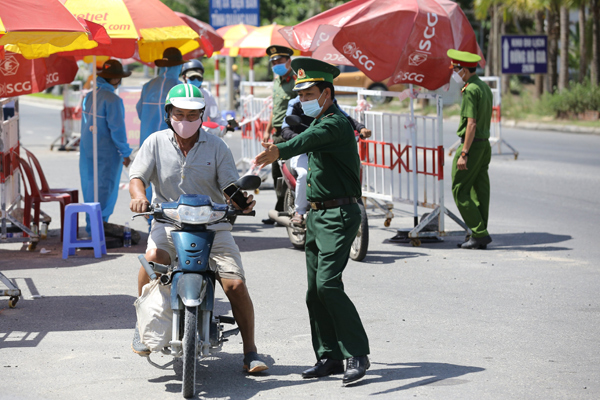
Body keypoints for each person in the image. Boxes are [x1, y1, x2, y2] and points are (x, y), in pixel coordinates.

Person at [129, 83, 268, 374]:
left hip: (213, 225)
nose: (186, 120)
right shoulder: (154, 141)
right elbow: (137, 176)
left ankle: (251, 351)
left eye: (193, 115)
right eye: (179, 114)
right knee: (153, 258)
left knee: (235, 284)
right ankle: (141, 323)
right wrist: (139, 197)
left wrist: (242, 201)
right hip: (169, 223)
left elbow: (230, 185)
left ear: (202, 115)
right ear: (168, 114)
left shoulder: (217, 145)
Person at [255, 58, 370, 385]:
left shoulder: (333, 123)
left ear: (327, 93)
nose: (302, 99)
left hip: (339, 214)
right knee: (314, 292)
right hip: (318, 215)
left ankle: (357, 352)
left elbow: (304, 141)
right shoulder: (319, 119)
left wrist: (278, 150)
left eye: (309, 94)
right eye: (300, 94)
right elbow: (298, 132)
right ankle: (329, 355)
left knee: (328, 285)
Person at [280, 96, 371, 226]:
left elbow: (346, 118)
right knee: (305, 175)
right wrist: (301, 140)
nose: (305, 96)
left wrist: (360, 127)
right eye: (302, 92)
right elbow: (285, 129)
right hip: (303, 151)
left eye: (310, 92)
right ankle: (299, 212)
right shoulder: (295, 104)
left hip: (325, 151)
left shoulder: (329, 102)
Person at [448, 49, 493, 249]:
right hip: (484, 145)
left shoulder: (470, 90)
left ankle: (480, 232)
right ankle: (479, 232)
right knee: (480, 188)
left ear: (464, 71)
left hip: (472, 146)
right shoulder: (484, 87)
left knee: (460, 189)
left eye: (456, 69)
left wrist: (464, 153)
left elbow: (471, 124)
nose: (454, 73)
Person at [79, 60, 132, 233]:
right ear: (116, 79)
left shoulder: (90, 95)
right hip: (106, 152)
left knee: (90, 186)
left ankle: (91, 225)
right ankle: (98, 227)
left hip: (88, 150)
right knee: (104, 189)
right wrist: (125, 153)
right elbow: (117, 130)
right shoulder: (113, 99)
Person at [136, 48, 185, 215]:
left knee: (148, 185)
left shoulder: (147, 86)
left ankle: (152, 224)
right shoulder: (180, 89)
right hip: (171, 146)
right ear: (179, 66)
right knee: (170, 189)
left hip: (147, 143)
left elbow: (139, 112)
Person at [261, 45, 297, 225]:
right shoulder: (277, 81)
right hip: (276, 133)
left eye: (279, 61)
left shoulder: (295, 81)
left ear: (288, 61)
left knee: (289, 173)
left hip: (290, 133)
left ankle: (285, 210)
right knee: (277, 174)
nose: (276, 64)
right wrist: (267, 130)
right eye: (273, 61)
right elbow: (275, 109)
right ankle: (280, 209)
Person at [180, 59, 233, 134]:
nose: (195, 80)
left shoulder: (207, 95)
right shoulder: (178, 92)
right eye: (192, 77)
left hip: (199, 134)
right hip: (180, 132)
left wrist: (227, 125)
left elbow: (215, 117)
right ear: (184, 77)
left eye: (198, 78)